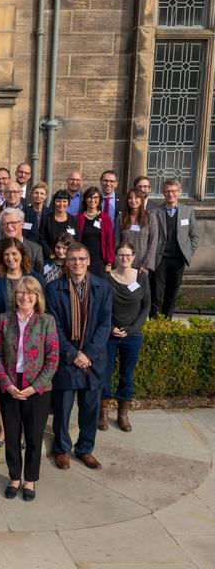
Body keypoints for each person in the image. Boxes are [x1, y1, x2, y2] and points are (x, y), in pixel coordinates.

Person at [0, 276, 59, 501]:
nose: (24, 296)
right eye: (20, 292)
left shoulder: (46, 321)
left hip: (37, 389)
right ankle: (14, 477)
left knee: (33, 437)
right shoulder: (4, 319)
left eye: (30, 292)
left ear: (37, 296)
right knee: (11, 436)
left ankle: (30, 479)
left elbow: (52, 358)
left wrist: (35, 387)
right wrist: (6, 383)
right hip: (10, 385)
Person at [45, 243, 112, 470]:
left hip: (93, 359)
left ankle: (85, 449)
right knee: (63, 408)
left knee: (90, 408)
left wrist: (88, 354)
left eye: (81, 259)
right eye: (72, 259)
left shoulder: (102, 287)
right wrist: (73, 354)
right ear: (66, 261)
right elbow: (53, 327)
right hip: (67, 358)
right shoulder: (54, 289)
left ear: (89, 261)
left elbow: (105, 324)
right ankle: (62, 449)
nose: (77, 263)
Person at [0, 237, 43, 448]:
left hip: (29, 341)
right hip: (2, 338)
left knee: (23, 385)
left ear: (22, 256)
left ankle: (20, 432)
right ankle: (3, 430)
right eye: (6, 254)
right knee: (1, 386)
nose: (10, 258)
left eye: (14, 254)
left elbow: (41, 307)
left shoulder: (34, 277)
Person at [102, 242, 150, 433]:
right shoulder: (107, 278)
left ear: (133, 256)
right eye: (121, 255)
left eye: (128, 255)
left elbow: (146, 307)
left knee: (126, 375)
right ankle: (103, 412)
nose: (124, 258)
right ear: (115, 257)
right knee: (105, 373)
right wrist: (111, 328)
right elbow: (101, 307)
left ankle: (123, 414)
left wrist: (130, 330)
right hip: (109, 335)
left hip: (133, 335)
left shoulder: (142, 277)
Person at [150, 178, 199, 318]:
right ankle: (154, 324)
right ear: (163, 193)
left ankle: (167, 322)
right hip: (160, 260)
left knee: (171, 294)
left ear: (179, 192)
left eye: (173, 191)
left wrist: (188, 253)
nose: (170, 194)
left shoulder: (187, 211)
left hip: (178, 260)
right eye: (167, 191)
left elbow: (194, 236)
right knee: (156, 293)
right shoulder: (155, 212)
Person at [0, 208, 44, 273]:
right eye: (5, 223)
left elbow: (39, 277)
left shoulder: (36, 249)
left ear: (22, 224)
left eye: (13, 223)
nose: (9, 227)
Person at [116, 188, 158, 273]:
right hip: (124, 263)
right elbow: (117, 240)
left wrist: (146, 265)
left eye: (136, 197)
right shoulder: (121, 217)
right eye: (130, 198)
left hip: (142, 266)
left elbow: (153, 242)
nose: (133, 200)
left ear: (141, 199)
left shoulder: (150, 217)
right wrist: (117, 261)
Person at [77, 186, 114, 276]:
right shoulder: (79, 218)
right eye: (90, 197)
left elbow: (109, 241)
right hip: (82, 259)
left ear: (100, 199)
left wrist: (109, 263)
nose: (92, 200)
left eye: (95, 197)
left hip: (99, 260)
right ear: (85, 199)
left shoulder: (105, 218)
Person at [40, 189, 78, 258]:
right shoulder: (46, 218)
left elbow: (76, 238)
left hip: (68, 257)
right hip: (50, 256)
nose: (61, 204)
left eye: (64, 201)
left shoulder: (73, 220)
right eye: (58, 201)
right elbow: (42, 238)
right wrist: (49, 252)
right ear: (54, 202)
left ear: (68, 203)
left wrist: (70, 253)